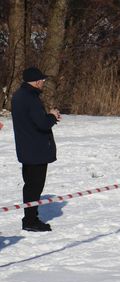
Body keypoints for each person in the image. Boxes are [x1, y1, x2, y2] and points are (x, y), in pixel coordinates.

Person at [11, 67, 61, 232]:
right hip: (35, 150)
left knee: (30, 185)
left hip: (26, 148)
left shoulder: (19, 95)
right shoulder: (30, 98)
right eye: (43, 80)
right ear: (37, 81)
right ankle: (30, 221)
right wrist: (52, 116)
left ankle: (30, 218)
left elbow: (32, 120)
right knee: (35, 186)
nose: (44, 83)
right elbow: (42, 123)